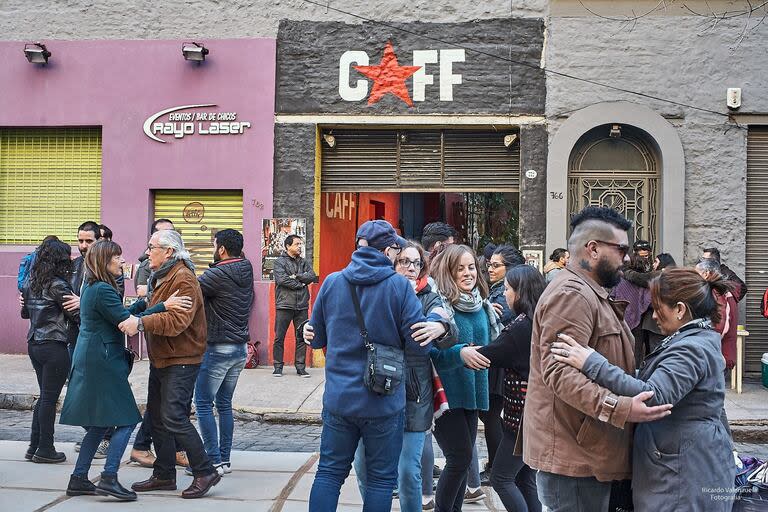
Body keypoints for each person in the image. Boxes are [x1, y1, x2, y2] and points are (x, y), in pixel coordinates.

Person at [523, 206, 672, 512]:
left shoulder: (590, 292)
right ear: (592, 249)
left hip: (587, 454)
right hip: (574, 460)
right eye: (621, 249)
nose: (628, 258)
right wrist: (620, 408)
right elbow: (560, 375)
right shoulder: (571, 295)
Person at [551, 268, 737, 510]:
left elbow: (653, 395)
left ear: (680, 310)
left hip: (683, 472)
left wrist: (592, 363)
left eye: (658, 308)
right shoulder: (693, 340)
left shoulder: (691, 348)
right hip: (683, 463)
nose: (654, 316)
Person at [306, 220, 447, 512]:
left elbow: (316, 336)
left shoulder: (332, 282)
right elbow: (417, 342)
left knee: (329, 474)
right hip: (383, 400)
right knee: (382, 480)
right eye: (397, 249)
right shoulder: (397, 286)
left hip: (339, 399)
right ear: (389, 250)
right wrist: (435, 327)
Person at [60, 240, 190, 501]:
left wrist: (144, 303)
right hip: (102, 361)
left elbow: (120, 313)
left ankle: (79, 478)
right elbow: (124, 321)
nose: (122, 261)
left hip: (94, 357)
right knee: (128, 419)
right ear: (104, 262)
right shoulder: (102, 290)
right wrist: (164, 305)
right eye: (117, 258)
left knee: (99, 425)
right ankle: (109, 477)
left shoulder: (94, 287)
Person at [351, 241, 457, 512]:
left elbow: (447, 327)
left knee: (409, 471)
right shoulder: (374, 292)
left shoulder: (428, 296)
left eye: (417, 263)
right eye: (404, 262)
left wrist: (439, 326)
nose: (411, 268)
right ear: (392, 263)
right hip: (374, 388)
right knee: (363, 465)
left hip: (413, 391)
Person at [119, 230, 221, 499]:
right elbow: (158, 306)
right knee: (157, 416)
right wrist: (136, 309)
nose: (147, 252)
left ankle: (205, 470)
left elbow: (177, 322)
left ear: (169, 252)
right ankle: (164, 474)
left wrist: (141, 322)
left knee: (174, 416)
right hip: (163, 357)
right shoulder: (163, 276)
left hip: (182, 359)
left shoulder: (183, 279)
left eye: (152, 247)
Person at [428, 244, 502, 512]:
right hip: (447, 395)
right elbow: (432, 356)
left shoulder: (483, 306)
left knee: (462, 459)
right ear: (448, 272)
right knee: (459, 458)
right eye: (460, 268)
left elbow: (494, 345)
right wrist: (461, 353)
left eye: (471, 267)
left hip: (474, 394)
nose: (468, 273)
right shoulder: (440, 309)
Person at [475, 265, 546, 512]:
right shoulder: (541, 319)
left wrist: (463, 349)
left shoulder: (520, 327)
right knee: (524, 478)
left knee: (501, 478)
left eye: (507, 289)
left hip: (522, 418)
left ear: (521, 292)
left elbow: (490, 354)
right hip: (536, 414)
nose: (504, 294)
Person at [194, 229, 254, 475]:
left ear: (221, 249)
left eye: (214, 245)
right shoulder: (247, 268)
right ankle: (224, 459)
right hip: (240, 348)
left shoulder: (215, 275)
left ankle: (213, 460)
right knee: (225, 404)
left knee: (204, 403)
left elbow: (190, 293)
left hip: (218, 347)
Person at [129, 217, 184, 469]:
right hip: (164, 349)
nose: (151, 251)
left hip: (170, 350)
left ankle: (166, 459)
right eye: (162, 235)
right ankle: (198, 465)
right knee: (165, 409)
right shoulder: (148, 267)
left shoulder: (179, 271)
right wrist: (143, 318)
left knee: (164, 407)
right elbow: (145, 298)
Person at [20, 238, 80, 464]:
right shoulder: (58, 285)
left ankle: (34, 446)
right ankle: (45, 448)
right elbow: (76, 315)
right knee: (48, 398)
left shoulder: (30, 282)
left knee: (44, 396)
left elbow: (25, 314)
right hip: (54, 344)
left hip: (34, 343)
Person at [479, 244, 524, 487]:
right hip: (498, 362)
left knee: (491, 416)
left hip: (498, 363)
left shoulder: (507, 295)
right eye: (490, 264)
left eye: (496, 265)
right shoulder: (497, 291)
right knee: (491, 416)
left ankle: (496, 465)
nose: (490, 269)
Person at [272, 234, 318, 377]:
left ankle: (300, 367)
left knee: (301, 337)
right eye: (297, 244)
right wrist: (301, 283)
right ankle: (278, 367)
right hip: (284, 305)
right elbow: (282, 280)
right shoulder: (279, 262)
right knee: (279, 337)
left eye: (300, 244)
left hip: (302, 305)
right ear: (288, 246)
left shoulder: (304, 262)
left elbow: (312, 276)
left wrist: (296, 276)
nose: (300, 247)